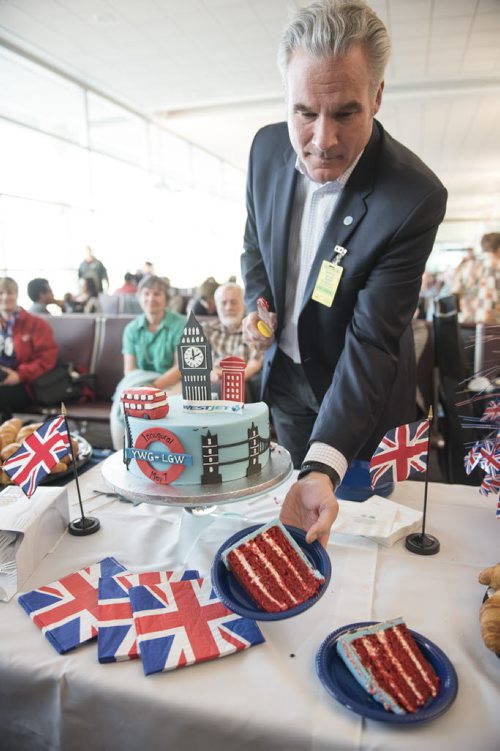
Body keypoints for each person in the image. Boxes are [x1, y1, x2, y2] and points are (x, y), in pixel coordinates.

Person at [241, 0, 448, 547]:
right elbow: (255, 245)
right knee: (296, 522)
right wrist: (256, 305)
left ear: (378, 96)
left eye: (346, 113)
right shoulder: (265, 148)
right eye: (304, 111)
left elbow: (373, 341)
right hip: (285, 380)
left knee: (369, 533)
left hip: (359, 389)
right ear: (285, 94)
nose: (322, 140)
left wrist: (325, 466)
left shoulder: (412, 197)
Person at [110, 275, 186, 449]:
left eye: (157, 294)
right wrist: (146, 389)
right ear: (139, 297)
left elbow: (180, 367)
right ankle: (122, 455)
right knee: (119, 405)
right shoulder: (131, 329)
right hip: (141, 384)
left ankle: (159, 454)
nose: (151, 298)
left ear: (165, 298)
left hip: (172, 383)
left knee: (167, 403)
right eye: (146, 294)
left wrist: (154, 387)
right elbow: (130, 371)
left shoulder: (181, 324)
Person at [0, 276, 58, 415]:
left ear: (17, 294)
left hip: (26, 384)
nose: (5, 297)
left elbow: (47, 358)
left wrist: (20, 375)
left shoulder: (36, 324)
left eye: (10, 292)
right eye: (1, 293)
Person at [202, 282, 262, 399]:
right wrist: (211, 372)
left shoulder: (252, 330)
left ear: (244, 304)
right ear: (216, 306)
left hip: (242, 383)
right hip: (211, 380)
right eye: (223, 303)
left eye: (233, 302)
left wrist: (229, 378)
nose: (229, 307)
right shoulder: (206, 330)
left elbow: (255, 364)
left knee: (227, 388)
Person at [452, 233, 500, 325]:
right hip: (493, 327)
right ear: (499, 248)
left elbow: (455, 292)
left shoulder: (466, 266)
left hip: (467, 323)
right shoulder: (497, 266)